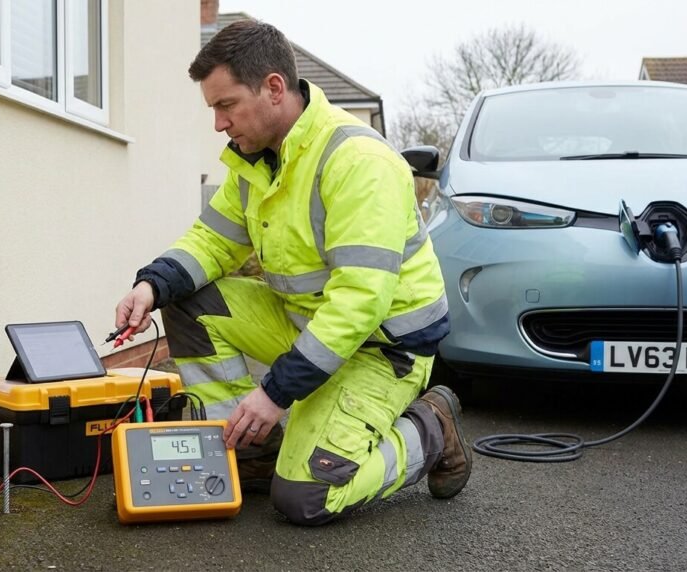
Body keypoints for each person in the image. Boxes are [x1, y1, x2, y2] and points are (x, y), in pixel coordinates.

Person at [114, 19, 471, 525]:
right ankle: (252, 447)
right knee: (190, 302)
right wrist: (151, 285)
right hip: (306, 327)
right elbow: (213, 241)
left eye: (226, 105)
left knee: (307, 498)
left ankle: (430, 428)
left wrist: (274, 392)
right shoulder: (257, 162)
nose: (218, 123)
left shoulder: (358, 162)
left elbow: (357, 304)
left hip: (381, 349)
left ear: (274, 89)